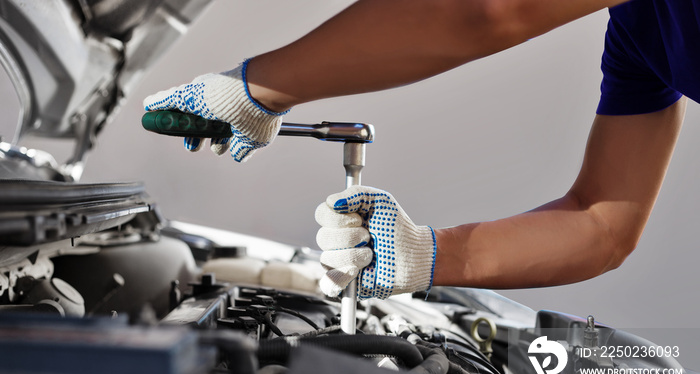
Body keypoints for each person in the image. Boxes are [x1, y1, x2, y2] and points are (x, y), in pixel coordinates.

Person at [144, 0, 694, 300]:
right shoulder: (645, 33)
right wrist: (425, 254)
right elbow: (603, 224)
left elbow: (487, 11)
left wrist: (256, 88)